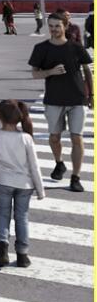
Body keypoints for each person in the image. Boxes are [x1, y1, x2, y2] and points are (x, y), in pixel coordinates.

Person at [29, 11, 93, 193]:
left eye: (57, 26)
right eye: (50, 26)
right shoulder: (41, 48)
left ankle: (76, 177)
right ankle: (59, 163)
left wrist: (92, 96)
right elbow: (35, 73)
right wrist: (50, 72)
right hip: (54, 99)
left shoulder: (76, 47)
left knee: (77, 137)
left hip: (77, 98)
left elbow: (87, 71)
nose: (54, 29)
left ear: (65, 26)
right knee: (54, 137)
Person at [0, 99, 45, 269]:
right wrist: (40, 190)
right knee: (22, 217)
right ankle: (23, 255)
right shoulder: (26, 138)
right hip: (25, 184)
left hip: (4, 182)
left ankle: (2, 251)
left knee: (3, 214)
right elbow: (34, 166)